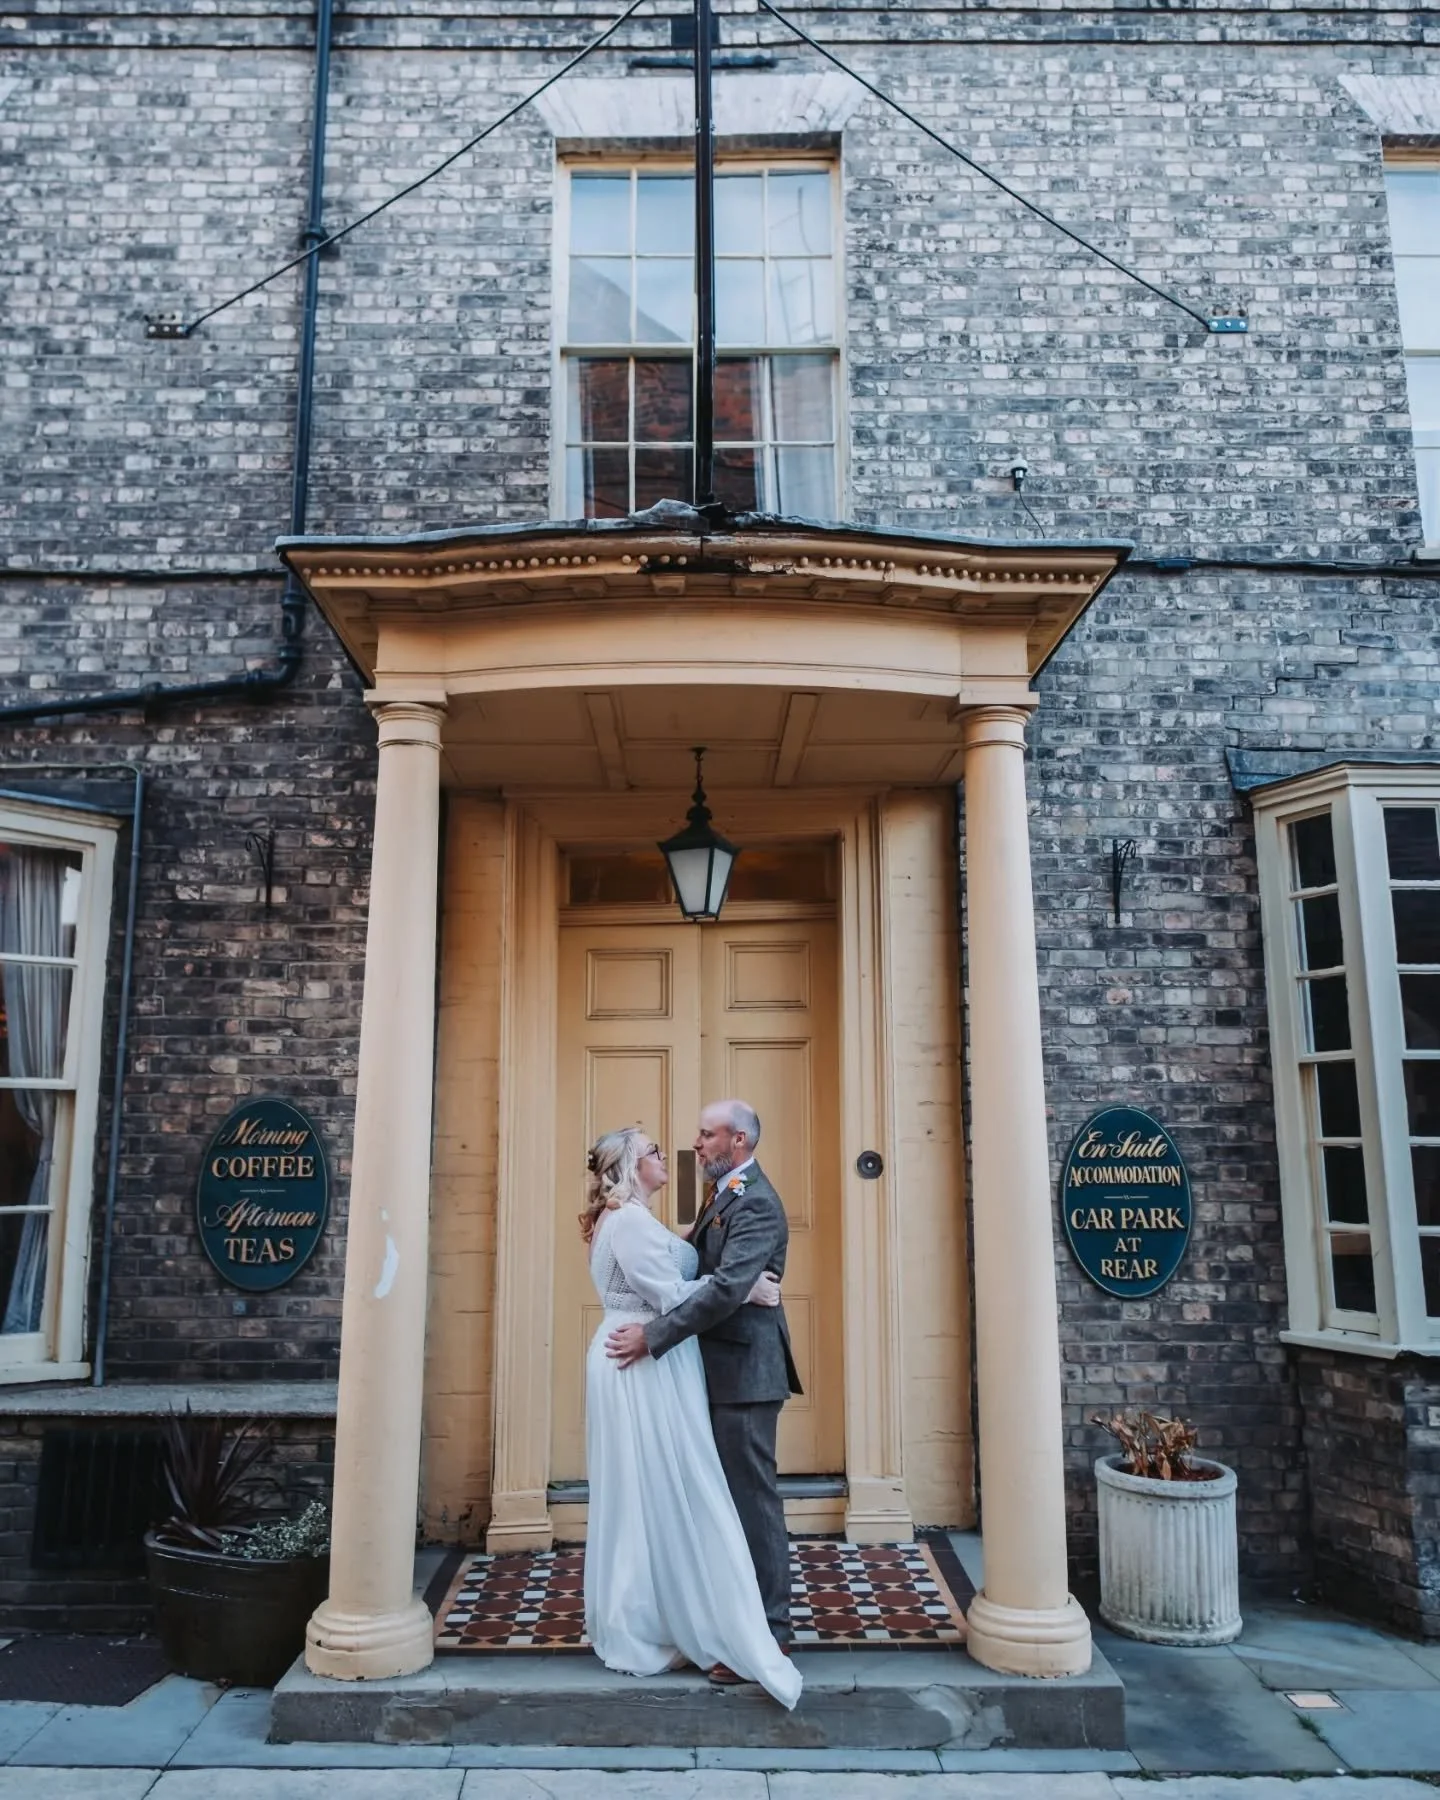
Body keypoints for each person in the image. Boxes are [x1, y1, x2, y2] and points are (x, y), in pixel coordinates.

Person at [581, 1125, 801, 1708]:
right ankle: (663, 1619)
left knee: (658, 1492)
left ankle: (696, 1614)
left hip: (655, 1358)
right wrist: (744, 1291)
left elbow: (674, 1265)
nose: (673, 1152)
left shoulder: (638, 1218)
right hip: (642, 1359)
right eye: (654, 1150)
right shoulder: (627, 1221)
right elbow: (667, 1291)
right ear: (630, 1165)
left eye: (700, 1135)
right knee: (659, 1493)